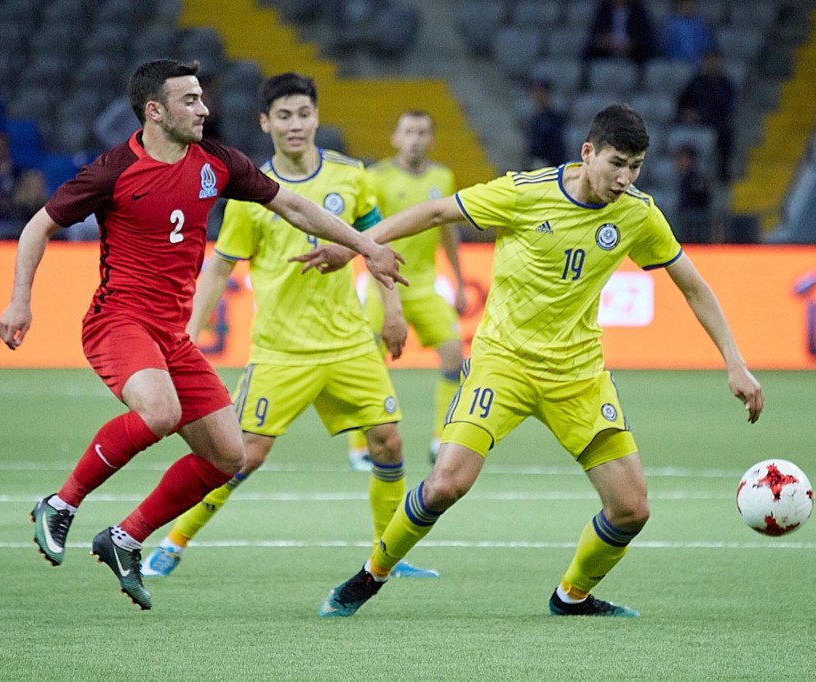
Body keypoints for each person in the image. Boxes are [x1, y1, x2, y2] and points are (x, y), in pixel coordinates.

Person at [303, 103, 764, 618]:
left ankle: (572, 596)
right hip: (504, 364)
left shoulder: (637, 213)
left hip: (578, 375)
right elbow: (436, 213)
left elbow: (693, 287)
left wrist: (735, 362)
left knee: (632, 509)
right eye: (616, 162)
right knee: (445, 485)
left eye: (635, 166)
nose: (625, 177)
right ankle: (370, 576)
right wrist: (357, 247)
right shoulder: (524, 192)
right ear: (587, 153)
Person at [0, 59, 404, 611]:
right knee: (159, 414)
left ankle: (125, 538)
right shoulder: (113, 170)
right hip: (119, 321)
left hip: (171, 336)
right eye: (189, 100)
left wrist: (367, 247)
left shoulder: (219, 162)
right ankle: (61, 504)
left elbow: (294, 206)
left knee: (228, 456)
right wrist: (21, 300)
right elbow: (38, 225)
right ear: (155, 111)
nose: (204, 108)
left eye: (202, 98)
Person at [139, 73, 437, 580]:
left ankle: (389, 553)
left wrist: (392, 309)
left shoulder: (351, 176)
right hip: (281, 351)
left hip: (347, 345)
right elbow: (220, 267)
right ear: (265, 122)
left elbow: (377, 245)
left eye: (303, 114)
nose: (295, 124)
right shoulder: (249, 190)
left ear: (316, 117)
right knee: (240, 457)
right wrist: (185, 335)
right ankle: (174, 541)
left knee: (389, 441)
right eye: (283, 115)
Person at [349, 110, 467, 467]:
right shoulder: (376, 178)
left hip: (425, 285)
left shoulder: (443, 177)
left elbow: (449, 232)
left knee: (453, 354)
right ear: (395, 138)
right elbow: (361, 230)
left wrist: (460, 283)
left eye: (422, 131)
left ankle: (442, 440)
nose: (415, 138)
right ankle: (360, 446)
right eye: (408, 131)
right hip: (383, 285)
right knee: (366, 361)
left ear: (431, 139)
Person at [676, 50, 736, 181]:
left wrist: (705, 116)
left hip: (715, 122)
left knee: (726, 132)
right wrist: (688, 114)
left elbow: (728, 108)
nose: (711, 64)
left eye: (714, 61)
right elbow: (682, 103)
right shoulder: (695, 82)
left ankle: (723, 170)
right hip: (693, 123)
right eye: (708, 61)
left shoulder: (725, 84)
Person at [671, 143, 713, 243]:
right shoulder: (683, 179)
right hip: (686, 223)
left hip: (697, 225)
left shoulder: (696, 180)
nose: (678, 162)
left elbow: (702, 202)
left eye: (682, 159)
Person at [523, 78, 568, 170]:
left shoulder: (555, 119)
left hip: (551, 166)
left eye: (540, 92)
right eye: (535, 93)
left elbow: (558, 148)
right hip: (535, 164)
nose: (537, 96)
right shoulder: (533, 119)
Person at [662, 0, 716, 67]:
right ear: (681, 6)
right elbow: (668, 46)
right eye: (686, 4)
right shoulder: (672, 24)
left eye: (692, 5)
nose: (689, 7)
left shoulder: (701, 24)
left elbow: (707, 45)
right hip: (676, 62)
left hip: (699, 62)